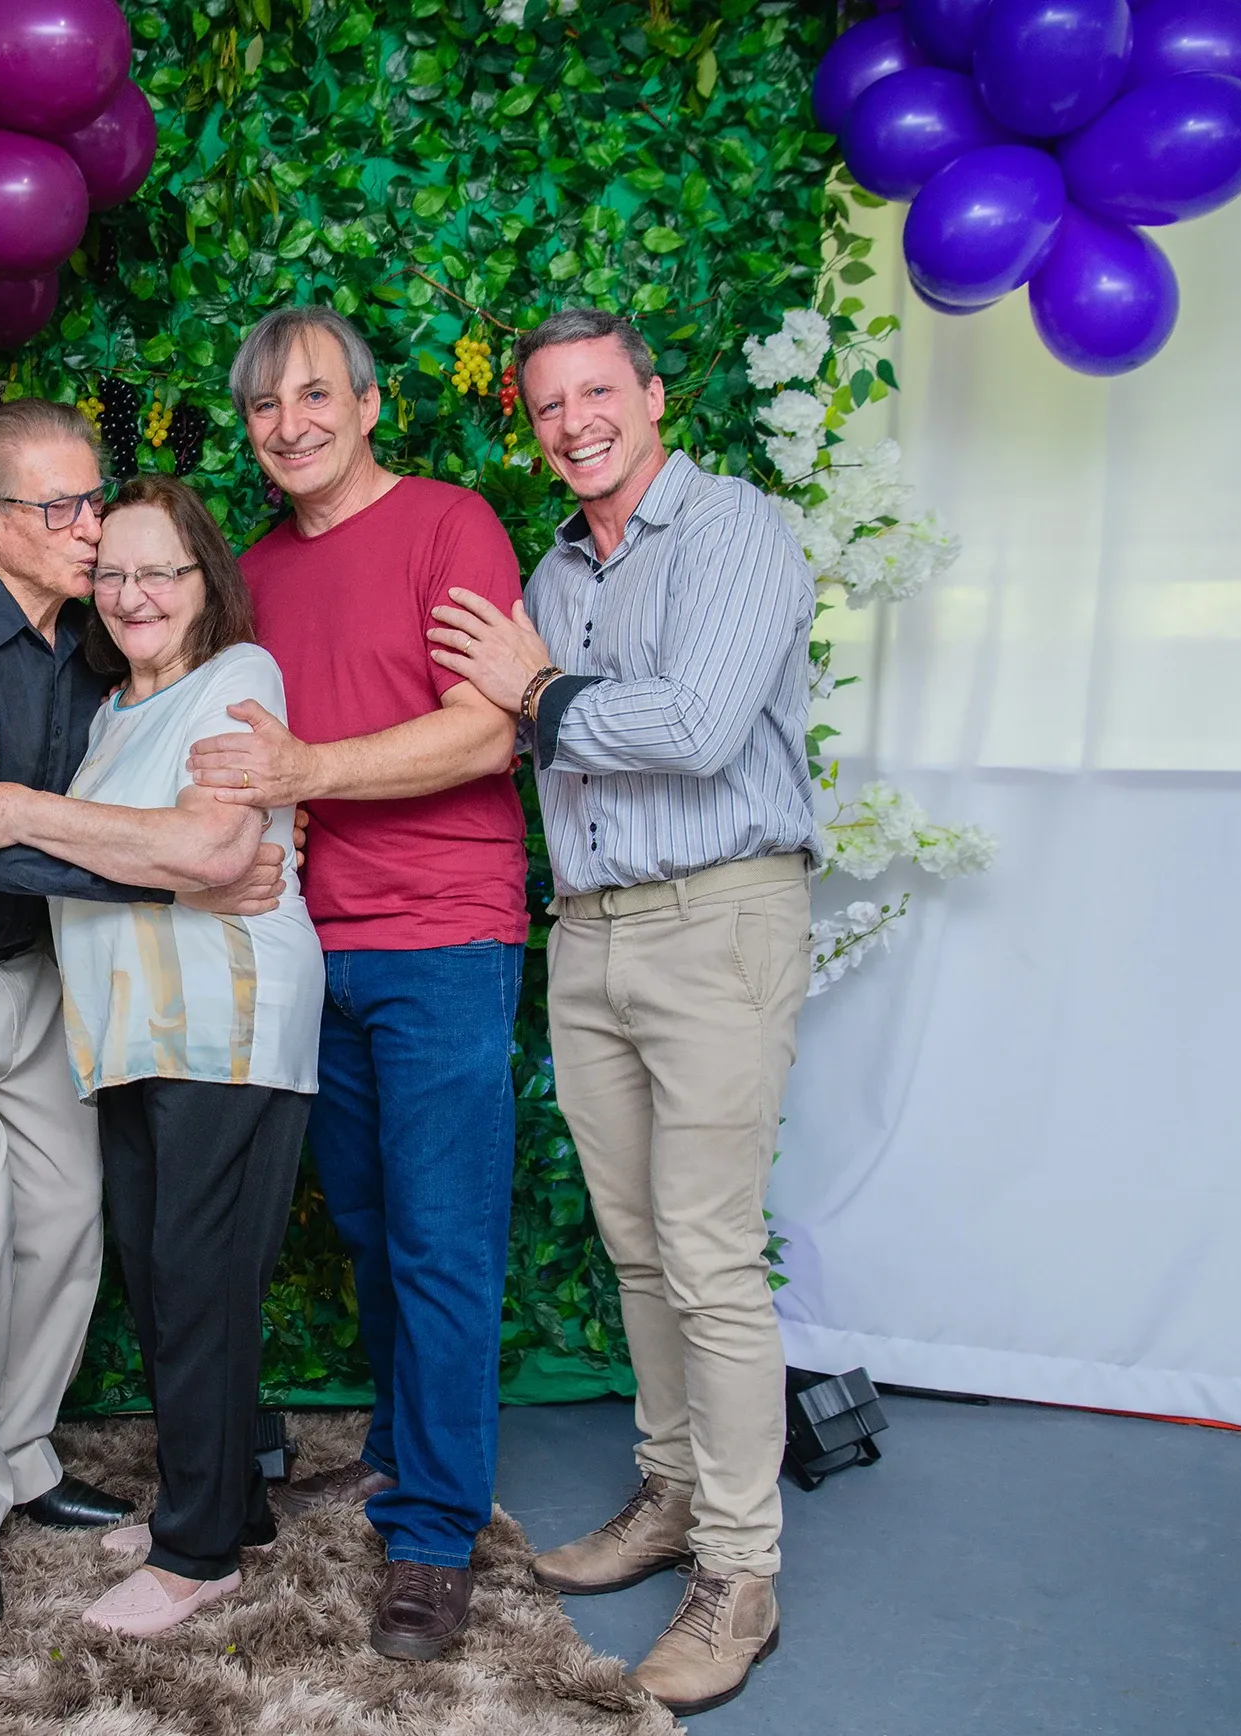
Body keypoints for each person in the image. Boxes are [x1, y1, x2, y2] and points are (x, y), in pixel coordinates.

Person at [0, 400, 289, 1625]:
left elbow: (69, 811)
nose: (91, 531)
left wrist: (177, 853)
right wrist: (177, 868)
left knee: (66, 1223)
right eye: (62, 508)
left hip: (49, 979)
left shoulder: (95, 648)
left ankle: (23, 1452)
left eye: (95, 502)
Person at [427, 306, 817, 1716]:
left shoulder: (735, 534)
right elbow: (578, 746)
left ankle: (738, 1570)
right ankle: (667, 1495)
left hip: (717, 912)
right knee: (638, 1251)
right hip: (587, 931)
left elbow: (697, 726)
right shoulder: (553, 569)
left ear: (653, 395)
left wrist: (533, 691)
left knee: (708, 1256)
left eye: (596, 392)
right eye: (544, 406)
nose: (570, 421)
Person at [194, 306, 526, 1663]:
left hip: (445, 930)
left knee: (443, 1235)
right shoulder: (256, 573)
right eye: (265, 406)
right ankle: (400, 1456)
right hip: (309, 947)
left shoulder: (450, 525)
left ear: (371, 404)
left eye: (314, 396)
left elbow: (485, 731)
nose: (290, 425)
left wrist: (308, 775)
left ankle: (437, 1537)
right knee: (380, 1222)